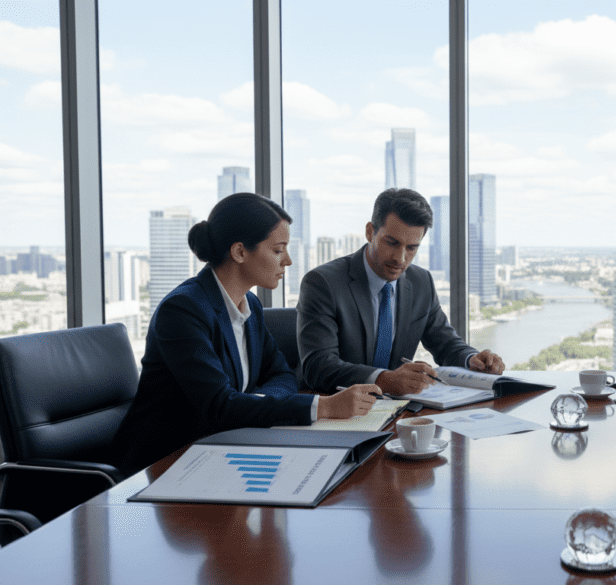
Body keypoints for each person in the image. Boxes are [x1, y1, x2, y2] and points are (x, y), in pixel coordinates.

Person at [111, 193, 378, 474]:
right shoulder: (183, 310)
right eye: (278, 250)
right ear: (239, 252)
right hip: (164, 465)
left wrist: (254, 403)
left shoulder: (250, 305)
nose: (287, 260)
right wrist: (323, 407)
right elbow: (220, 407)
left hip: (223, 454)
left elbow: (282, 374)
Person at [297, 188, 505, 396]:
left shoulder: (421, 282)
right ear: (370, 232)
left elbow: (446, 344)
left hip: (399, 409)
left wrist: (472, 359)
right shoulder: (323, 283)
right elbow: (318, 367)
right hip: (340, 407)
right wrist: (383, 380)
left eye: (412, 248)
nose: (401, 258)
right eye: (392, 243)